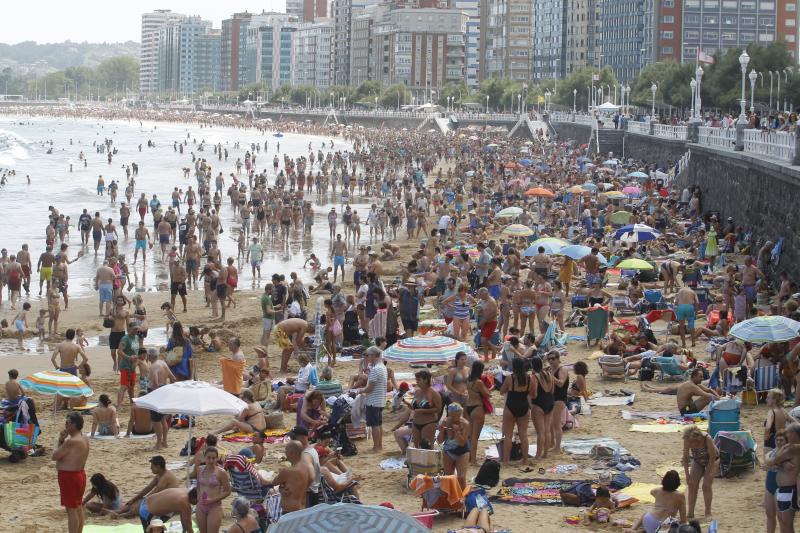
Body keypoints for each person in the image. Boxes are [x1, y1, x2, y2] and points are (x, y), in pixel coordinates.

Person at [52, 412, 90, 533]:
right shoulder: (84, 438)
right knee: (78, 507)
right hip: (79, 474)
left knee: (71, 510)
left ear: (74, 425)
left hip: (70, 476)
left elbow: (55, 456)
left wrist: (60, 440)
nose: (65, 425)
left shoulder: (71, 441)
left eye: (67, 423)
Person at [115, 456, 180, 518]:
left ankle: (123, 515)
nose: (151, 468)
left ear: (158, 467)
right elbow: (148, 488)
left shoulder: (166, 477)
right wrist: (134, 499)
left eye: (152, 467)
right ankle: (119, 511)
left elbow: (155, 493)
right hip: (162, 497)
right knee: (134, 502)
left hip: (169, 502)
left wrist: (141, 502)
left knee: (138, 507)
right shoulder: (160, 474)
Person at [681, 426, 719, 520]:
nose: (689, 445)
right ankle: (690, 512)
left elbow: (713, 456)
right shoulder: (687, 440)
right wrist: (687, 475)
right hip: (698, 460)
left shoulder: (707, 438)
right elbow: (685, 458)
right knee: (692, 484)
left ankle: (708, 512)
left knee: (706, 485)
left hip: (712, 460)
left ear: (696, 439)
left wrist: (708, 473)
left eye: (691, 443)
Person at [500, 357, 530, 465]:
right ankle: (525, 459)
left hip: (511, 406)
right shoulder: (528, 378)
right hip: (524, 405)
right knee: (523, 434)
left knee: (508, 435)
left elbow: (501, 391)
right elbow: (532, 392)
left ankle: (506, 461)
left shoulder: (510, 378)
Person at [357, 345, 387, 452]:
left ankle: (376, 447)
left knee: (375, 425)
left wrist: (359, 391)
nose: (367, 358)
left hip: (374, 400)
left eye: (368, 355)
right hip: (380, 399)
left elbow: (370, 388)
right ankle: (379, 445)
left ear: (373, 355)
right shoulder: (382, 367)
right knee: (378, 424)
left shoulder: (376, 369)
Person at [195, 447, 231, 533]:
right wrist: (198, 495)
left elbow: (228, 491)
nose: (211, 460)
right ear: (204, 457)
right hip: (201, 506)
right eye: (208, 458)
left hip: (215, 507)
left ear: (217, 458)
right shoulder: (199, 469)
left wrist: (212, 500)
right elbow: (198, 484)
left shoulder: (221, 472)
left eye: (213, 458)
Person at [271, 440, 311, 514]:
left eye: (286, 450)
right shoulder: (306, 468)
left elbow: (274, 482)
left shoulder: (287, 471)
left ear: (291, 453)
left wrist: (281, 488)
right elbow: (311, 478)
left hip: (290, 511)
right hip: (302, 507)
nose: (285, 453)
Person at [437, 403, 471, 489]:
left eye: (456, 416)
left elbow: (462, 443)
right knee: (449, 477)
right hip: (448, 451)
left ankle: (464, 497)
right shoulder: (445, 421)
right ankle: (452, 497)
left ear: (460, 414)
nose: (453, 418)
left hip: (462, 451)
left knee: (461, 477)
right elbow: (439, 441)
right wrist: (441, 431)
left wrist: (457, 432)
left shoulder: (465, 423)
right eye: (452, 416)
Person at [465, 360, 491, 466]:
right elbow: (486, 394)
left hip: (469, 406)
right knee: (475, 436)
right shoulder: (479, 382)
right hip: (477, 408)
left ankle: (469, 457)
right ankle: (473, 461)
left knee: (470, 435)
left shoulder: (468, 380)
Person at [530, 355, 554, 461]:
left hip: (539, 403)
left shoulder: (535, 377)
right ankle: (545, 454)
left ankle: (538, 455)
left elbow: (534, 394)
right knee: (547, 430)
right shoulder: (549, 374)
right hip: (549, 401)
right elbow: (552, 390)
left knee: (540, 432)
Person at [410, 369, 442, 449]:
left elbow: (438, 409)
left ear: (426, 380)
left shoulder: (434, 393)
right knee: (416, 447)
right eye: (416, 379)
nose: (417, 381)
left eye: (419, 379)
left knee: (426, 447)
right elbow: (413, 407)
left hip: (428, 423)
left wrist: (423, 411)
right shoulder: (417, 392)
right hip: (416, 423)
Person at [547, 350, 569, 453]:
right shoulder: (552, 369)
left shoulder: (562, 369)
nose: (550, 360)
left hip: (560, 398)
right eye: (549, 359)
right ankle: (552, 444)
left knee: (556, 424)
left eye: (553, 358)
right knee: (550, 424)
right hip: (552, 398)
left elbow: (561, 383)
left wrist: (550, 376)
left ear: (558, 359)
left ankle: (557, 447)